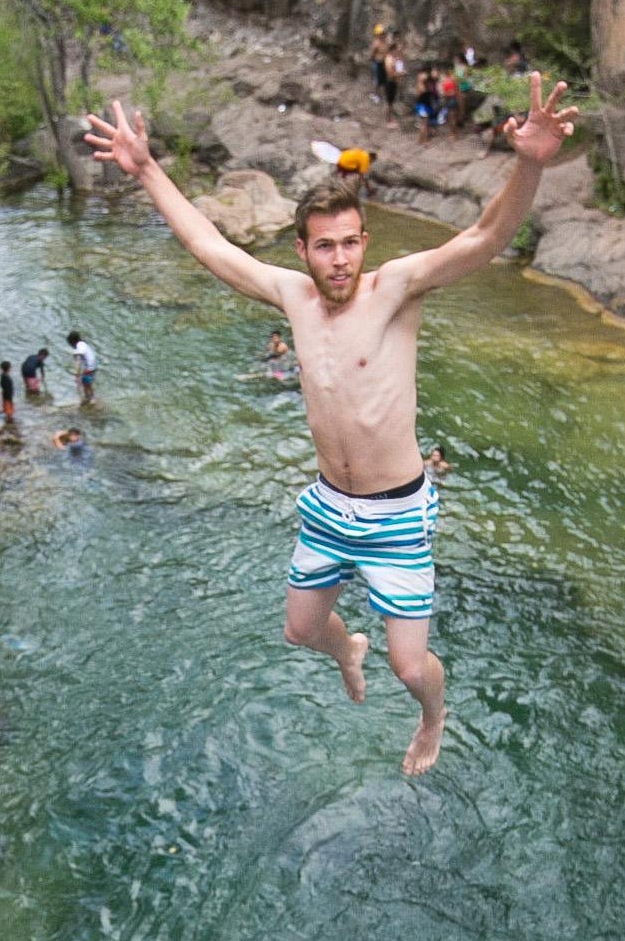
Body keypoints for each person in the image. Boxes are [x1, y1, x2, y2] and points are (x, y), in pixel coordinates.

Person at [85, 78, 577, 775]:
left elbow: (484, 236)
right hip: (327, 505)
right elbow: (208, 244)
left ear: (364, 243)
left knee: (410, 669)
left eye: (349, 244)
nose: (339, 259)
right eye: (324, 247)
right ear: (301, 250)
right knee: (300, 629)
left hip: (398, 510)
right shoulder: (292, 296)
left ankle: (432, 718)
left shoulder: (396, 288)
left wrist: (528, 162)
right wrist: (145, 168)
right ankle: (347, 649)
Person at [67, 330, 99, 405]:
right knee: (86, 383)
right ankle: (89, 398)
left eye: (70, 344)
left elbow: (78, 361)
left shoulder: (79, 346)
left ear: (72, 342)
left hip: (89, 367)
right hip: (94, 366)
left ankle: (91, 399)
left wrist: (76, 373)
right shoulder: (83, 344)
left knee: (86, 383)